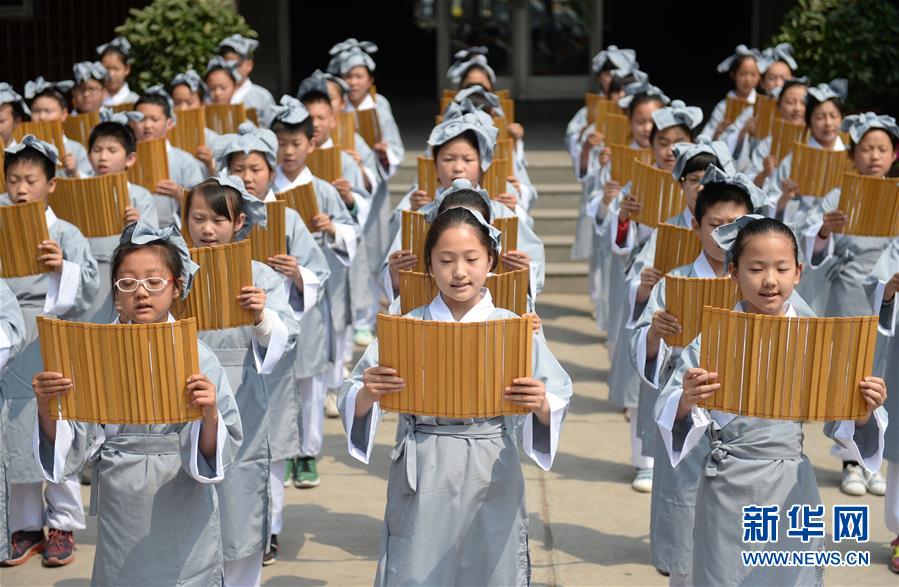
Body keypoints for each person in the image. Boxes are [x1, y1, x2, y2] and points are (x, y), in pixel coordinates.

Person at [339, 205, 572, 585]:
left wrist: (541, 402)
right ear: (429, 265)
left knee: (491, 568)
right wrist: (368, 392)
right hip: (424, 461)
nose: (459, 272)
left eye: (471, 259)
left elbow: (556, 394)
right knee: (416, 567)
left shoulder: (513, 328)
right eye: (446, 260)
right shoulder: (407, 327)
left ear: (490, 261)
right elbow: (353, 392)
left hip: (492, 463)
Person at [656, 215, 887, 585]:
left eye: (781, 268)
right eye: (756, 268)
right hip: (728, 486)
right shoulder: (713, 339)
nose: (769, 280)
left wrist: (864, 411)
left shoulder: (813, 340)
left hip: (791, 486)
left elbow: (844, 418)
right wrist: (687, 399)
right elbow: (673, 409)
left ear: (798, 272)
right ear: (734, 272)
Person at [31, 221, 242, 585]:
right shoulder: (96, 356)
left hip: (182, 492)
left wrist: (209, 415)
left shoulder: (199, 358)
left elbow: (217, 453)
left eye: (154, 281)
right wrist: (47, 407)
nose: (141, 292)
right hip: (121, 500)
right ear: (115, 293)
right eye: (127, 283)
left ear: (177, 287)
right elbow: (72, 445)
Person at [182, 173, 298, 585]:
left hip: (241, 398)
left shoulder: (257, 275)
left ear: (239, 223)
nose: (207, 229)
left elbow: (286, 335)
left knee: (240, 498)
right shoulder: (174, 271)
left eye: (218, 220)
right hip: (184, 397)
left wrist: (261, 316)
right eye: (198, 219)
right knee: (187, 501)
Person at [0, 136, 99, 567]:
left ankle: (62, 523)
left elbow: (91, 287)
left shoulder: (66, 233)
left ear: (51, 184)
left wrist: (63, 268)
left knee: (59, 427)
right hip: (8, 335)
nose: (21, 189)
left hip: (52, 335)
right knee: (12, 430)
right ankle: (25, 525)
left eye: (31, 180)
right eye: (13, 180)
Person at [97, 37, 139, 106]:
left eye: (116, 69)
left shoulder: (135, 102)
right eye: (106, 69)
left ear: (127, 69)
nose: (111, 74)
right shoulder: (93, 102)